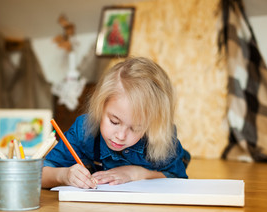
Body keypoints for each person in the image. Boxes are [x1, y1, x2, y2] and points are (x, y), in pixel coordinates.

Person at [42, 57, 190, 189]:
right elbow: (39, 174)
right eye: (114, 122)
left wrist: (137, 173)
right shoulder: (84, 130)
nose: (120, 136)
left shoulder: (161, 136)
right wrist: (64, 175)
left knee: (182, 158)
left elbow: (178, 178)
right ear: (101, 106)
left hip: (168, 160)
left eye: (135, 128)